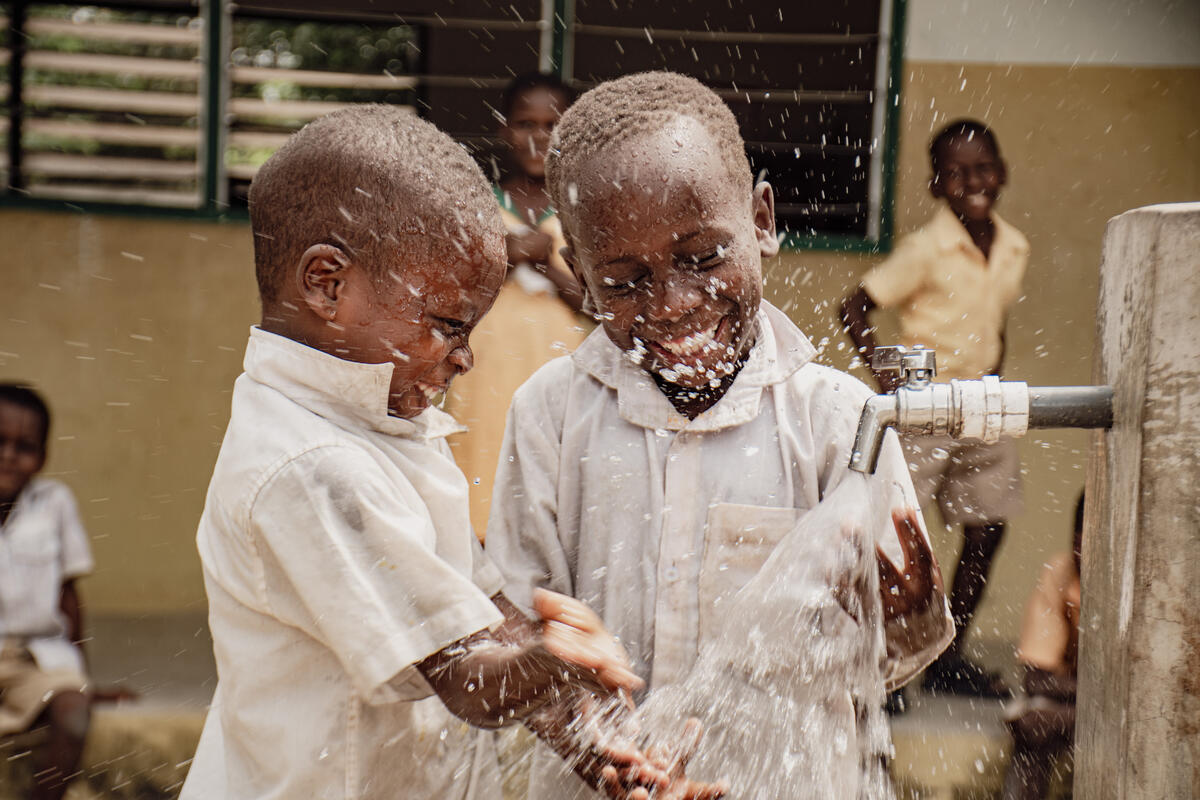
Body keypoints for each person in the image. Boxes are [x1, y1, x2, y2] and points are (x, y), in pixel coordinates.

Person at [181, 105, 721, 800]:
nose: (465, 359)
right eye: (448, 326)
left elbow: (485, 613)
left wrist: (594, 743)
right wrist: (563, 661)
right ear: (326, 284)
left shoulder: (383, 423)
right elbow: (469, 681)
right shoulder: (311, 468)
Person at [484, 71, 955, 799]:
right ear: (579, 272)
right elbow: (522, 624)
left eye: (702, 258)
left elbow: (887, 658)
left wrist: (908, 624)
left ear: (762, 222)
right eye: (624, 281)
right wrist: (587, 735)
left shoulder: (841, 424)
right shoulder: (549, 415)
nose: (672, 304)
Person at [839, 118, 1029, 698]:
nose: (972, 180)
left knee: (987, 529)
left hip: (983, 404)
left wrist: (996, 375)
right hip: (925, 408)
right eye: (955, 172)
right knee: (900, 537)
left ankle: (947, 656)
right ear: (935, 186)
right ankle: (889, 668)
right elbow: (854, 307)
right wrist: (885, 372)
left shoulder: (1014, 245)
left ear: (1002, 174)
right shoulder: (925, 249)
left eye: (983, 168)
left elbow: (992, 323)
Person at [446, 72, 588, 539]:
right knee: (481, 469)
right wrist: (504, 258)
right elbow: (454, 297)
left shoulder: (585, 206)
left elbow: (599, 307)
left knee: (557, 480)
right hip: (484, 371)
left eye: (553, 125)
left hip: (560, 369)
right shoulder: (479, 204)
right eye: (526, 124)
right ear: (505, 129)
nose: (539, 137)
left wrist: (547, 264)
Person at [0, 384, 93, 800]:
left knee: (74, 715)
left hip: (37, 657)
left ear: (43, 455)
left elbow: (68, 596)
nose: (8, 455)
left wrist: (82, 679)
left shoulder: (55, 503)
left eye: (24, 446)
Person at [1000, 493, 1082, 800]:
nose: (1084, 551)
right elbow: (1036, 678)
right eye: (1080, 541)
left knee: (1040, 720)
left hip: (1134, 713)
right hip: (1078, 702)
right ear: (1075, 539)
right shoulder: (1062, 570)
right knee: (1032, 726)